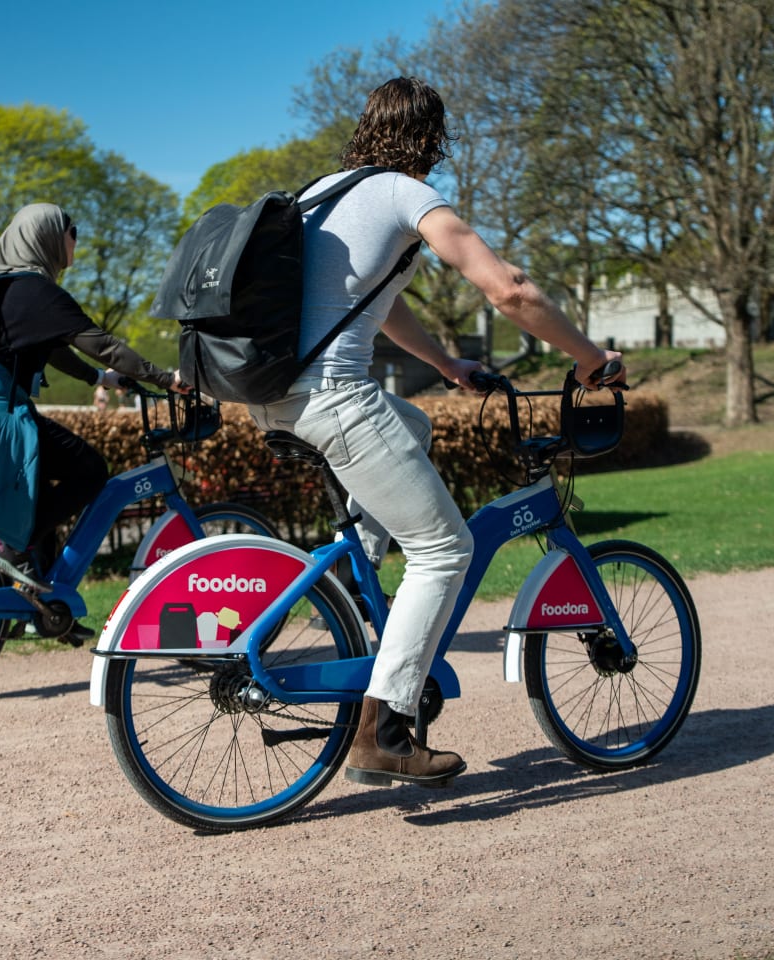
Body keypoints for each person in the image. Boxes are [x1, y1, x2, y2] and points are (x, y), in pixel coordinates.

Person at [245, 77, 625, 789]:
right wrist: (591, 361)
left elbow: (373, 302)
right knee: (445, 549)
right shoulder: (404, 192)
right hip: (333, 399)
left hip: (276, 398)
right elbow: (507, 288)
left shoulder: (322, 193)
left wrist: (446, 363)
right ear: (432, 139)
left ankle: (360, 571)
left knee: (411, 424)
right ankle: (383, 730)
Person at [0, 203, 186, 608]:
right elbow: (103, 345)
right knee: (89, 470)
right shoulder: (36, 291)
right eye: (73, 231)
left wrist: (100, 379)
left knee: (42, 492)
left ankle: (41, 603)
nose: (76, 241)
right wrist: (166, 378)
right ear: (48, 236)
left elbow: (52, 347)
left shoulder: (5, 287)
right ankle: (15, 548)